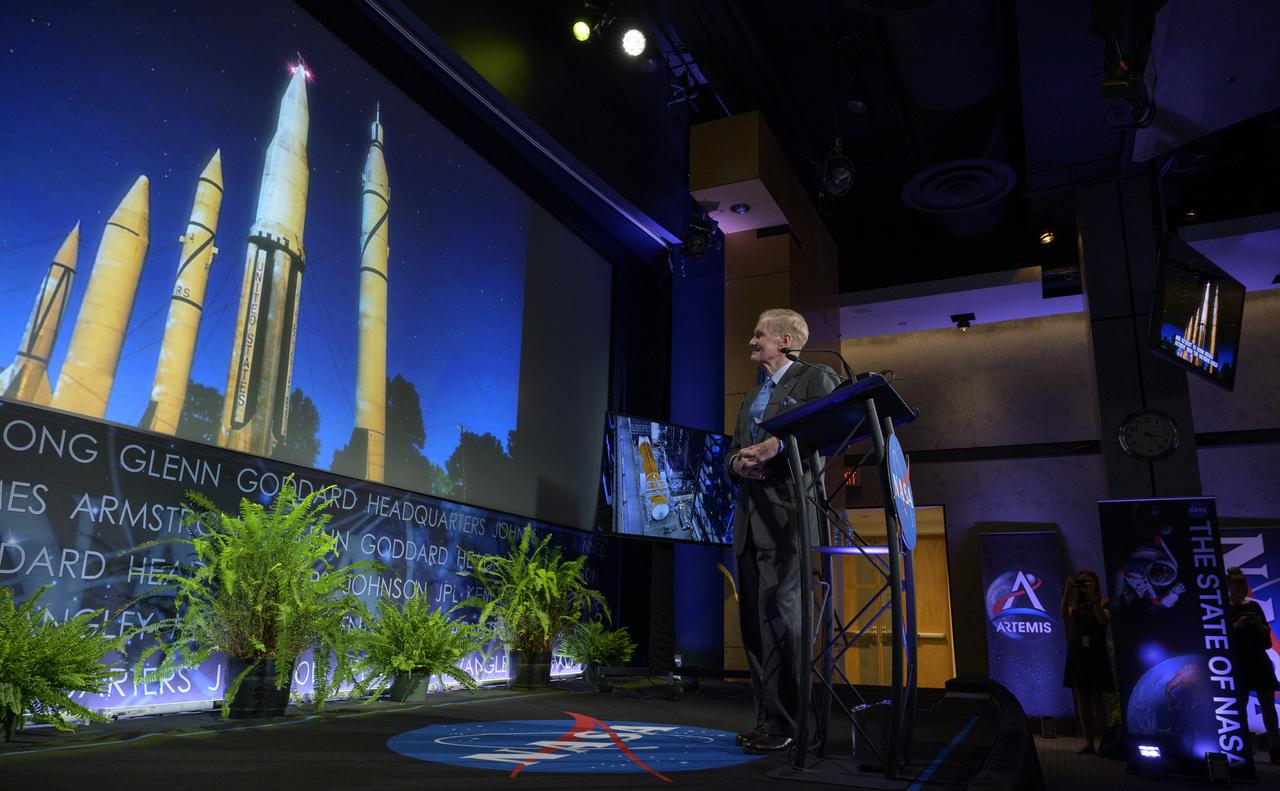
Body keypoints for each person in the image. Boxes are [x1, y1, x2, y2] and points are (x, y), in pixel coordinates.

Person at [726, 308, 837, 754]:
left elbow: (827, 431)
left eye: (759, 335)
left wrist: (776, 445)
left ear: (786, 339)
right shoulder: (750, 396)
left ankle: (791, 723)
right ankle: (769, 722)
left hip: (788, 520)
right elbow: (733, 450)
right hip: (750, 525)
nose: (751, 342)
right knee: (755, 626)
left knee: (783, 623)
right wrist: (737, 463)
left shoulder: (815, 377)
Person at [1226, 567, 1280, 763]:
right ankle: (1241, 747)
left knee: (1268, 705)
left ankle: (1274, 747)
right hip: (1239, 662)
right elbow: (1220, 639)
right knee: (1240, 704)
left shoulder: (1255, 608)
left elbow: (1267, 642)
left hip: (1258, 659)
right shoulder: (1224, 608)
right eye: (1237, 587)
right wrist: (1236, 625)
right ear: (1229, 587)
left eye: (1243, 586)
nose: (1241, 590)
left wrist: (1258, 624)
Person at [1061, 569, 1113, 755]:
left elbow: (1102, 621)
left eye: (1087, 582)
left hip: (1096, 654)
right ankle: (1089, 742)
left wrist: (1093, 598)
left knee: (1098, 698)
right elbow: (1064, 616)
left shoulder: (1103, 601)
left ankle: (1104, 741)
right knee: (1082, 700)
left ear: (1095, 583)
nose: (1083, 586)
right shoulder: (1075, 605)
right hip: (1078, 655)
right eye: (1081, 582)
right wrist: (1068, 592)